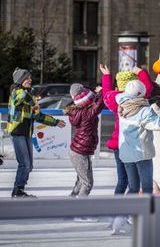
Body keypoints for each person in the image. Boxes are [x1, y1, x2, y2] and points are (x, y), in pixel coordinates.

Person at [100, 65, 153, 234]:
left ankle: (115, 215)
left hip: (118, 146)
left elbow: (106, 93)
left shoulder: (114, 99)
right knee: (135, 184)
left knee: (123, 181)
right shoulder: (136, 101)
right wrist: (141, 72)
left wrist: (107, 76)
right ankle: (123, 217)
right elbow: (148, 88)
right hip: (134, 147)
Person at [7, 67, 66, 198]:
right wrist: (34, 99)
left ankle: (19, 189)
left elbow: (38, 116)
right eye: (26, 78)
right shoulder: (16, 92)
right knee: (24, 163)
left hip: (26, 133)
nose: (30, 80)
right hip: (16, 132)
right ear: (20, 80)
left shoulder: (29, 97)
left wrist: (55, 122)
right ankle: (17, 191)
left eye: (29, 78)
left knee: (29, 165)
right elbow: (21, 96)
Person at [116, 79, 160, 195]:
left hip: (126, 154)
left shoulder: (122, 107)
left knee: (133, 188)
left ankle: (125, 212)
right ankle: (145, 213)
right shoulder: (144, 111)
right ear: (140, 94)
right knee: (147, 188)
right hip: (142, 154)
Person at [64, 83, 104, 197]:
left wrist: (97, 95)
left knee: (81, 181)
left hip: (79, 151)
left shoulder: (78, 110)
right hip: (80, 152)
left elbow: (94, 103)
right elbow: (100, 104)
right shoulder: (88, 113)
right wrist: (101, 92)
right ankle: (80, 206)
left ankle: (71, 201)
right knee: (87, 183)